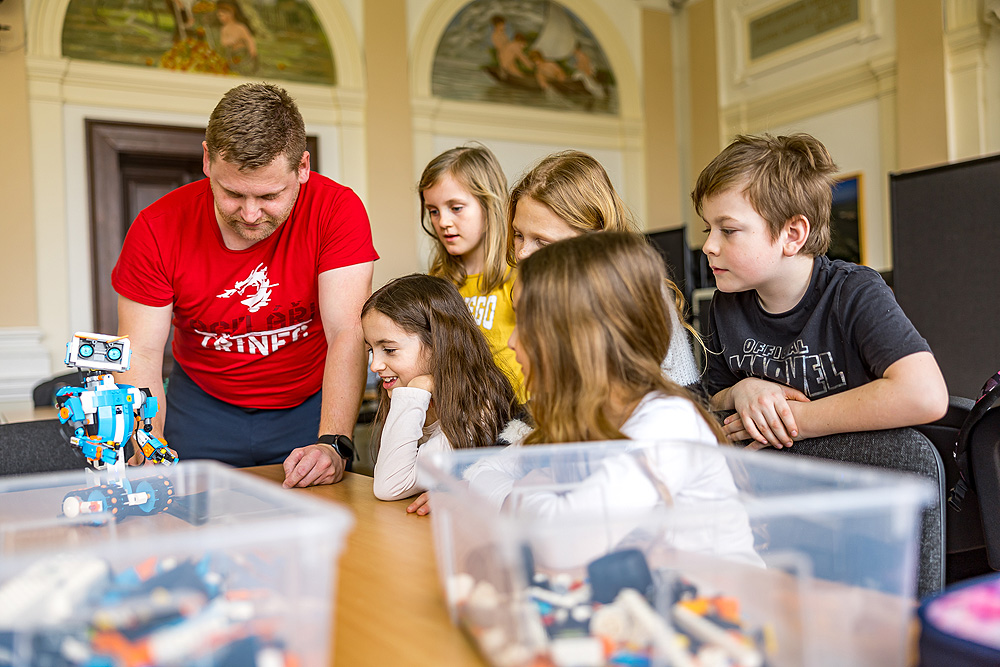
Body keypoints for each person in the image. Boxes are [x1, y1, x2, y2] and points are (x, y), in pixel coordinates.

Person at [111, 83, 377, 487]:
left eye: (270, 195)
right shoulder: (156, 229)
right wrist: (146, 443)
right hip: (201, 408)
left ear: (302, 167)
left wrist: (333, 442)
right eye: (232, 193)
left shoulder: (337, 210)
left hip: (308, 405)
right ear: (207, 161)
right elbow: (142, 352)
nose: (251, 214)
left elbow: (348, 331)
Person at [464, 233, 760, 569]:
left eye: (528, 321)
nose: (513, 340)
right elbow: (477, 473)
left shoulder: (669, 421)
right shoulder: (582, 416)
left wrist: (522, 494)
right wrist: (540, 502)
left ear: (580, 337)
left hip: (722, 605)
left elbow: (564, 542)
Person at [693, 132, 948, 449]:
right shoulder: (726, 304)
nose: (708, 246)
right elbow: (710, 400)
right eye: (708, 229)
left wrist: (795, 421)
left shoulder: (853, 291)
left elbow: (925, 394)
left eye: (728, 230)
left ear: (793, 233)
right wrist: (742, 390)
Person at [507, 150, 701, 389]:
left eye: (542, 242)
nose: (522, 253)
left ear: (593, 241)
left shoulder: (633, 301)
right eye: (518, 235)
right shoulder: (543, 293)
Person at [363, 274, 526, 513]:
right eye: (371, 350)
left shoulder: (476, 408)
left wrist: (416, 392)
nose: (375, 365)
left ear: (437, 344)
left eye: (389, 349)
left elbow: (390, 486)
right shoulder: (405, 391)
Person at [418, 144, 526, 398]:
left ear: (490, 205)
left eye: (456, 208)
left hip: (519, 418)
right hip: (466, 420)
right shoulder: (438, 281)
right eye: (433, 211)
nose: (443, 222)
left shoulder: (521, 275)